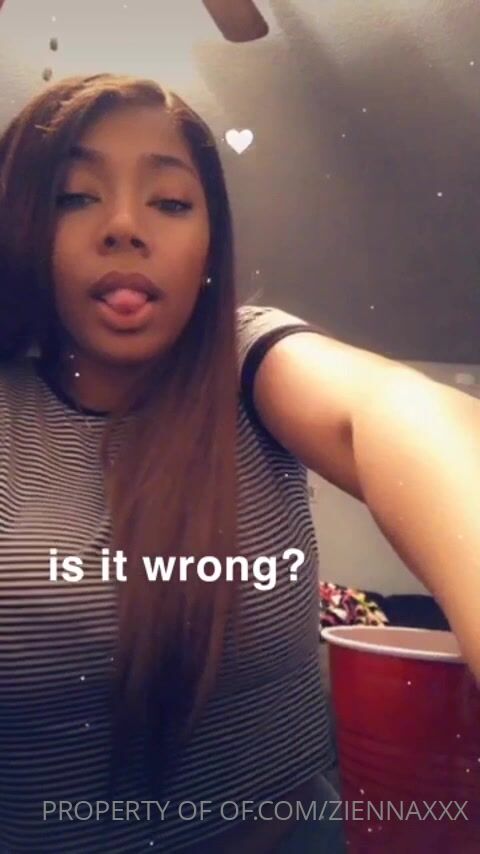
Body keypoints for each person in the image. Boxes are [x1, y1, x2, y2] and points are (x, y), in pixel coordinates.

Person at [0, 72, 478, 854]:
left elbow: (393, 413)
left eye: (169, 202)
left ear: (208, 248)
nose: (124, 226)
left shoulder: (251, 360)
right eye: (76, 196)